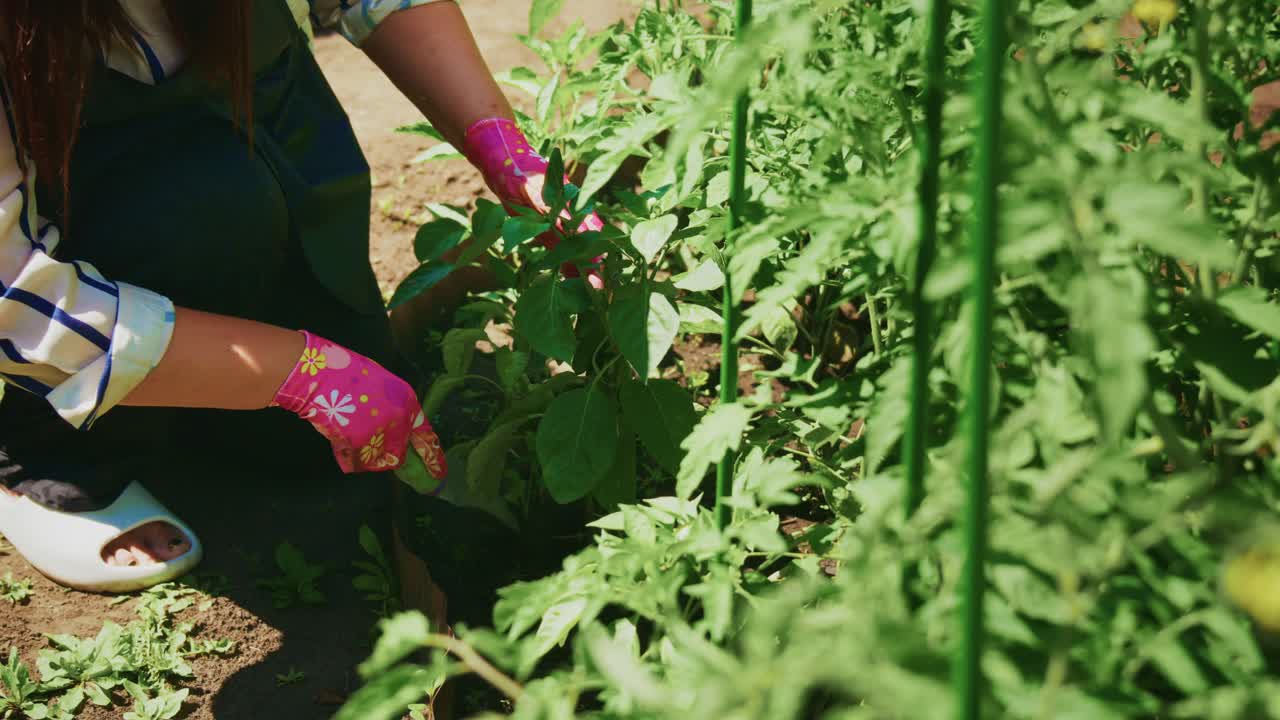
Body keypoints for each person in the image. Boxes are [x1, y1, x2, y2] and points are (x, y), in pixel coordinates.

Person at [0, 0, 602, 594]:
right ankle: (51, 460)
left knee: (313, 453)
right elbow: (13, 294)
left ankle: (210, 386)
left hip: (260, 101)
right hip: (76, 173)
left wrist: (503, 152)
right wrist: (310, 377)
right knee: (195, 209)